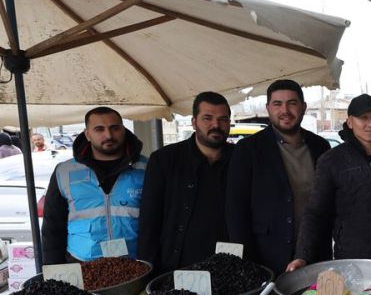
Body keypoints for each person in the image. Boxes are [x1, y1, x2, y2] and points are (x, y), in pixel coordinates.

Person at [288, 94, 371, 271]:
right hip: (350, 261)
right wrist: (303, 255)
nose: (370, 124)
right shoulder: (332, 161)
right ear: (350, 122)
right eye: (363, 118)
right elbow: (316, 212)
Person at [226, 79, 331, 274]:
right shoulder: (248, 149)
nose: (285, 110)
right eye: (277, 104)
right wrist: (246, 262)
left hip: (315, 253)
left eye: (292, 103)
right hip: (266, 256)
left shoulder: (320, 146)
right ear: (268, 108)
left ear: (303, 107)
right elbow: (236, 209)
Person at [137, 91, 233, 273]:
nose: (216, 125)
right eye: (207, 118)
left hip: (228, 267)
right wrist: (147, 270)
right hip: (177, 265)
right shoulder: (164, 160)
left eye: (223, 119)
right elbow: (150, 219)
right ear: (194, 121)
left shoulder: (241, 160)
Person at [41, 106, 147, 264]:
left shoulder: (147, 168)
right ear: (87, 134)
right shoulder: (64, 171)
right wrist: (52, 270)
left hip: (136, 263)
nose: (108, 135)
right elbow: (53, 226)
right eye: (99, 129)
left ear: (123, 130)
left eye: (115, 128)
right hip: (81, 263)